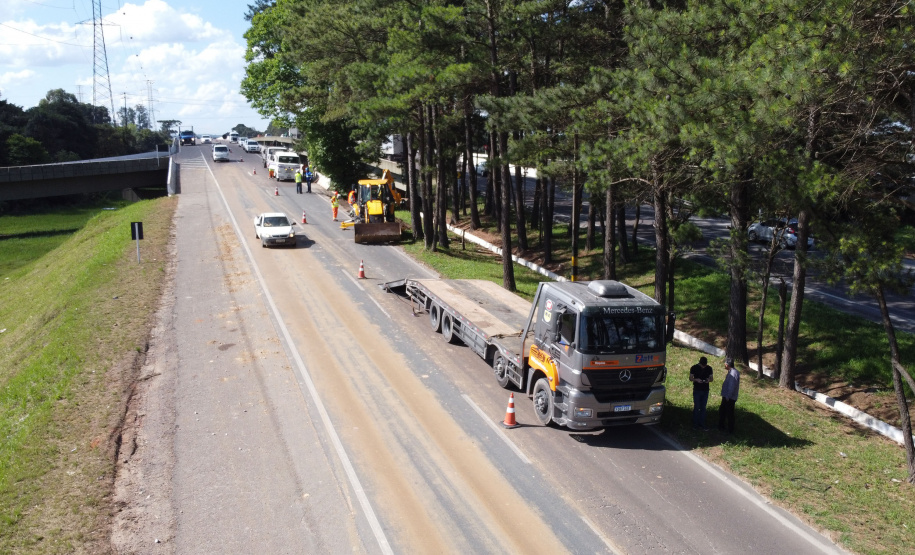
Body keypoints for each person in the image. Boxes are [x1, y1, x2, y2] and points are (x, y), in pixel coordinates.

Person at [689, 356, 713, 430]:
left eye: (704, 365)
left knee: (703, 407)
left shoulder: (709, 368)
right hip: (697, 389)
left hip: (705, 390)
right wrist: (696, 380)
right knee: (697, 407)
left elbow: (711, 378)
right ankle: (695, 424)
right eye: (702, 365)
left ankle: (702, 423)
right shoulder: (694, 367)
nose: (703, 367)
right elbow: (690, 378)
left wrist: (708, 380)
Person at [719, 358, 740, 433]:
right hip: (727, 396)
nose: (724, 365)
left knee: (729, 414)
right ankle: (721, 426)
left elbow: (731, 386)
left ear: (727, 365)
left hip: (729, 397)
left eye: (725, 364)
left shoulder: (733, 373)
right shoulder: (731, 372)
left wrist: (728, 396)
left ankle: (730, 430)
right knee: (723, 411)